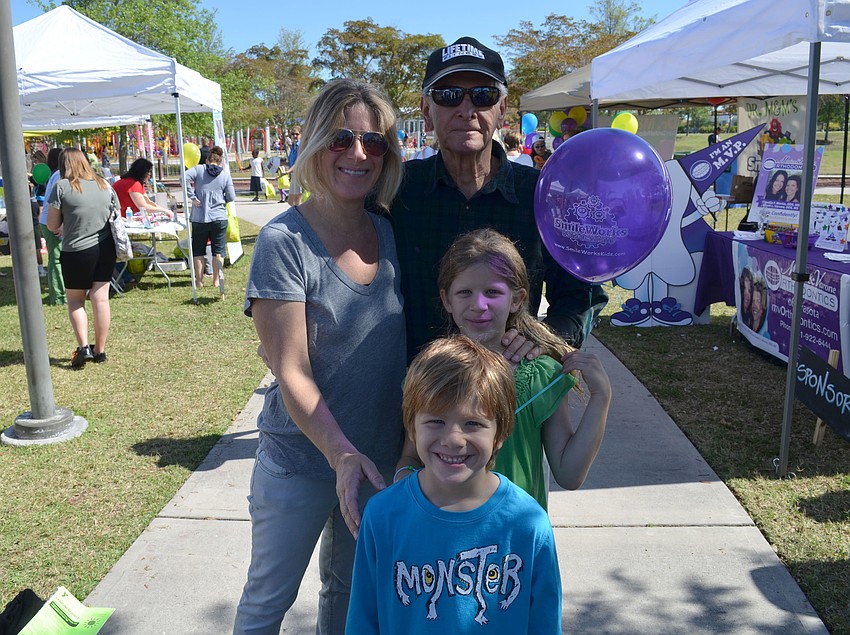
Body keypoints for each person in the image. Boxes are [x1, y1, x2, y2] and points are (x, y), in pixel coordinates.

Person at [234, 78, 406, 635]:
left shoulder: (390, 230)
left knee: (351, 598)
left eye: (374, 143)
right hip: (303, 461)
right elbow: (289, 368)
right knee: (268, 602)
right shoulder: (284, 242)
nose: (359, 154)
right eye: (342, 139)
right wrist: (341, 456)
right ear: (312, 143)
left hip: (376, 461)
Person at [383, 36, 607, 361]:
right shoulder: (396, 192)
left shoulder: (545, 196)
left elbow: (582, 296)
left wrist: (547, 340)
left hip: (511, 393)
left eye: (482, 95)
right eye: (448, 96)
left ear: (502, 109)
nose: (466, 110)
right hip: (416, 400)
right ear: (426, 111)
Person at [346, 335, 562, 633]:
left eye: (473, 423)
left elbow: (545, 622)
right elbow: (363, 618)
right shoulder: (383, 515)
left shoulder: (527, 522)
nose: (453, 440)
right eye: (436, 421)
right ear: (412, 426)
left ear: (500, 432)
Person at [426, 228, 611, 509]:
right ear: (446, 300)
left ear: (518, 299)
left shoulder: (540, 375)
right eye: (465, 292)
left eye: (492, 292)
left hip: (515, 543)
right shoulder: (429, 372)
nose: (479, 305)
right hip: (445, 544)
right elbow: (411, 458)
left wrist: (601, 398)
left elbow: (569, 473)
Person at [46, 148, 118, 367]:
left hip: (76, 251)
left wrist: (66, 224)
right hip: (105, 248)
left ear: (63, 165)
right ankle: (101, 350)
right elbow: (114, 214)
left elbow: (51, 225)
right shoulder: (104, 184)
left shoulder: (62, 187)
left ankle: (84, 347)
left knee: (76, 300)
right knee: (101, 298)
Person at [185, 146, 235, 295]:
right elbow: (231, 197)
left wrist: (192, 197)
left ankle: (199, 281)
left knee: (198, 250)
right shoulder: (225, 176)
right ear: (220, 162)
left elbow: (184, 177)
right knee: (218, 250)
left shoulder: (199, 169)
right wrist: (221, 199)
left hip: (199, 217)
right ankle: (216, 280)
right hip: (219, 217)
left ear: (207, 160)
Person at [39, 148, 66, 305]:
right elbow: (56, 203)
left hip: (52, 221)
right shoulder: (58, 176)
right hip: (52, 222)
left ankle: (62, 294)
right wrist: (59, 224)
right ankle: (58, 297)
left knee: (58, 259)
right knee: (56, 259)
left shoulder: (56, 174)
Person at [283, 126, 303, 206]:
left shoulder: (301, 146)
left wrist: (287, 172)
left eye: (296, 134)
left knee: (297, 200)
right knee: (291, 201)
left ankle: (301, 217)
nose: (294, 136)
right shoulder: (293, 147)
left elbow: (298, 163)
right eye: (293, 134)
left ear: (300, 134)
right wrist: (280, 163)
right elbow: (291, 163)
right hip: (293, 174)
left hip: (299, 174)